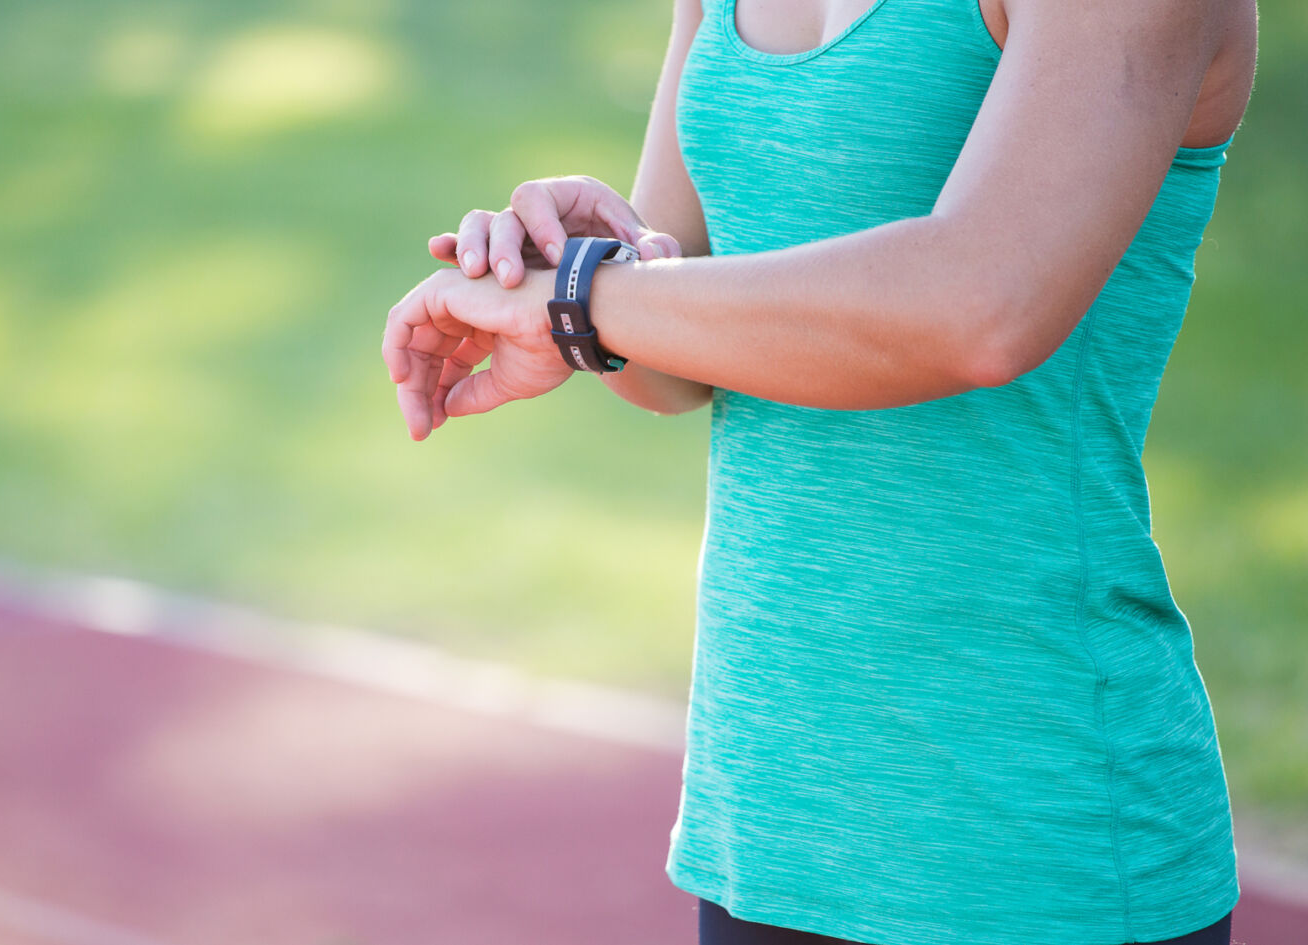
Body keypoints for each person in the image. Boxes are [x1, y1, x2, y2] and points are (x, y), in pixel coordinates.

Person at [381, 0, 1258, 943]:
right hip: (765, 821)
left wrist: (594, 298)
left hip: (1032, 838)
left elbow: (981, 308)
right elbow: (674, 364)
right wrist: (572, 277)